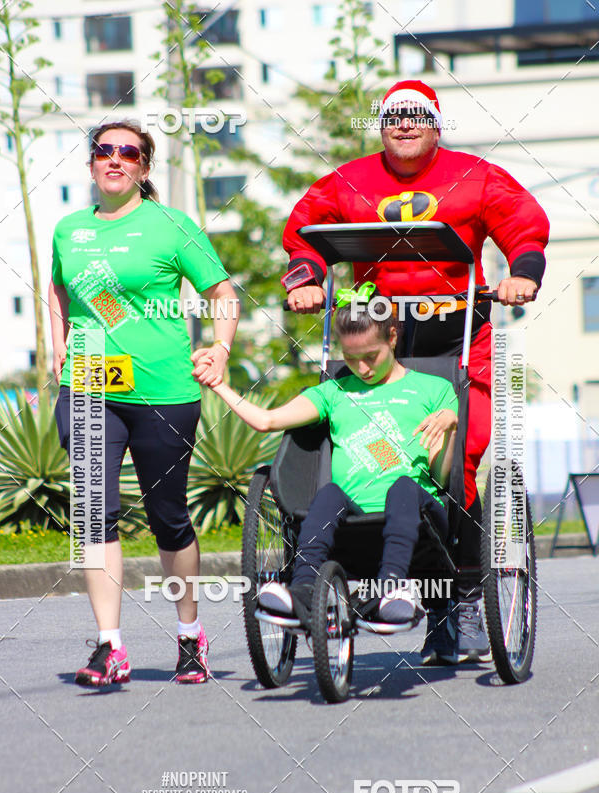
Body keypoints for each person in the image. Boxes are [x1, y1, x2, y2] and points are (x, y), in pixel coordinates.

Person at [281, 79, 550, 663]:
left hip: (459, 337)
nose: (405, 124)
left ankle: (463, 600)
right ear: (381, 126)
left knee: (463, 459)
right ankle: (336, 569)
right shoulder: (348, 179)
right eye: (394, 116)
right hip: (378, 343)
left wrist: (523, 273)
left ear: (435, 124)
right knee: (348, 449)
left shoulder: (475, 175)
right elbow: (306, 234)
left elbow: (523, 226)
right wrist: (306, 278)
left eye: (417, 116)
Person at [49, 119, 239, 686]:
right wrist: (58, 345)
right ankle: (110, 647)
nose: (115, 159)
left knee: (169, 518)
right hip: (89, 381)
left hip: (162, 389)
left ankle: (190, 634)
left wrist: (221, 349)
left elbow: (221, 293)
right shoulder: (69, 230)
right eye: (103, 150)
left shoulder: (171, 226)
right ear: (91, 164)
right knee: (94, 510)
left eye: (128, 152)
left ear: (144, 168)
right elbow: (59, 288)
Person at [211, 295, 458, 623]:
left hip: (417, 513)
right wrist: (218, 385)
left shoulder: (435, 390)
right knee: (328, 494)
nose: (363, 369)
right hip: (353, 520)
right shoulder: (333, 392)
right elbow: (266, 420)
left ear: (392, 338)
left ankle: (391, 589)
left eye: (371, 356)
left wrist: (450, 425)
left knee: (402, 486)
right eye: (351, 359)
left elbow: (442, 479)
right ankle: (302, 591)